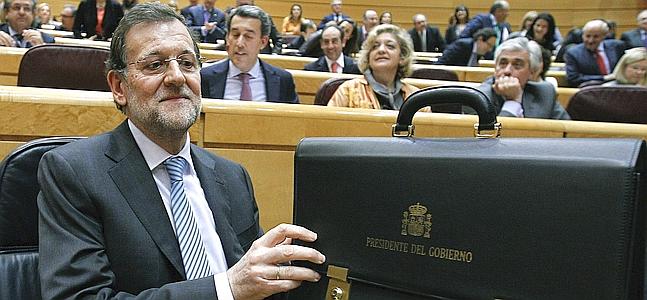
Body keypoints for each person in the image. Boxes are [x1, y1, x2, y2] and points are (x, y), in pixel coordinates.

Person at [37, 3, 324, 299]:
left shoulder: (232, 176)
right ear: (119, 86)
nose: (176, 77)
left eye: (187, 63)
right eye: (155, 65)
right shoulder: (74, 173)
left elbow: (256, 284)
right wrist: (226, 288)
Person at [201, 5, 299, 103]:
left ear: (263, 42)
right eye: (235, 35)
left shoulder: (283, 80)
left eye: (248, 36)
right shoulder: (204, 77)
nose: (239, 43)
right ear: (227, 38)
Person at [328, 24, 422, 110]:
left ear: (402, 57)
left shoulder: (416, 97)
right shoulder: (348, 91)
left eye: (390, 46)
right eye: (374, 47)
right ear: (368, 57)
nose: (381, 50)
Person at [475, 37, 570, 119]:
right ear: (495, 68)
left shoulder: (545, 93)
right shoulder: (479, 98)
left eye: (517, 65)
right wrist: (513, 102)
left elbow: (568, 133)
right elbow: (497, 138)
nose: (507, 71)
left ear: (532, 72)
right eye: (503, 63)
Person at [565, 19, 626, 87]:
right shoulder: (573, 53)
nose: (591, 40)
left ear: (604, 36)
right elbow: (573, 78)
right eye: (587, 36)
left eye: (596, 37)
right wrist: (604, 78)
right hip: (591, 90)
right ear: (582, 35)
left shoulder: (617, 46)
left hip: (618, 87)